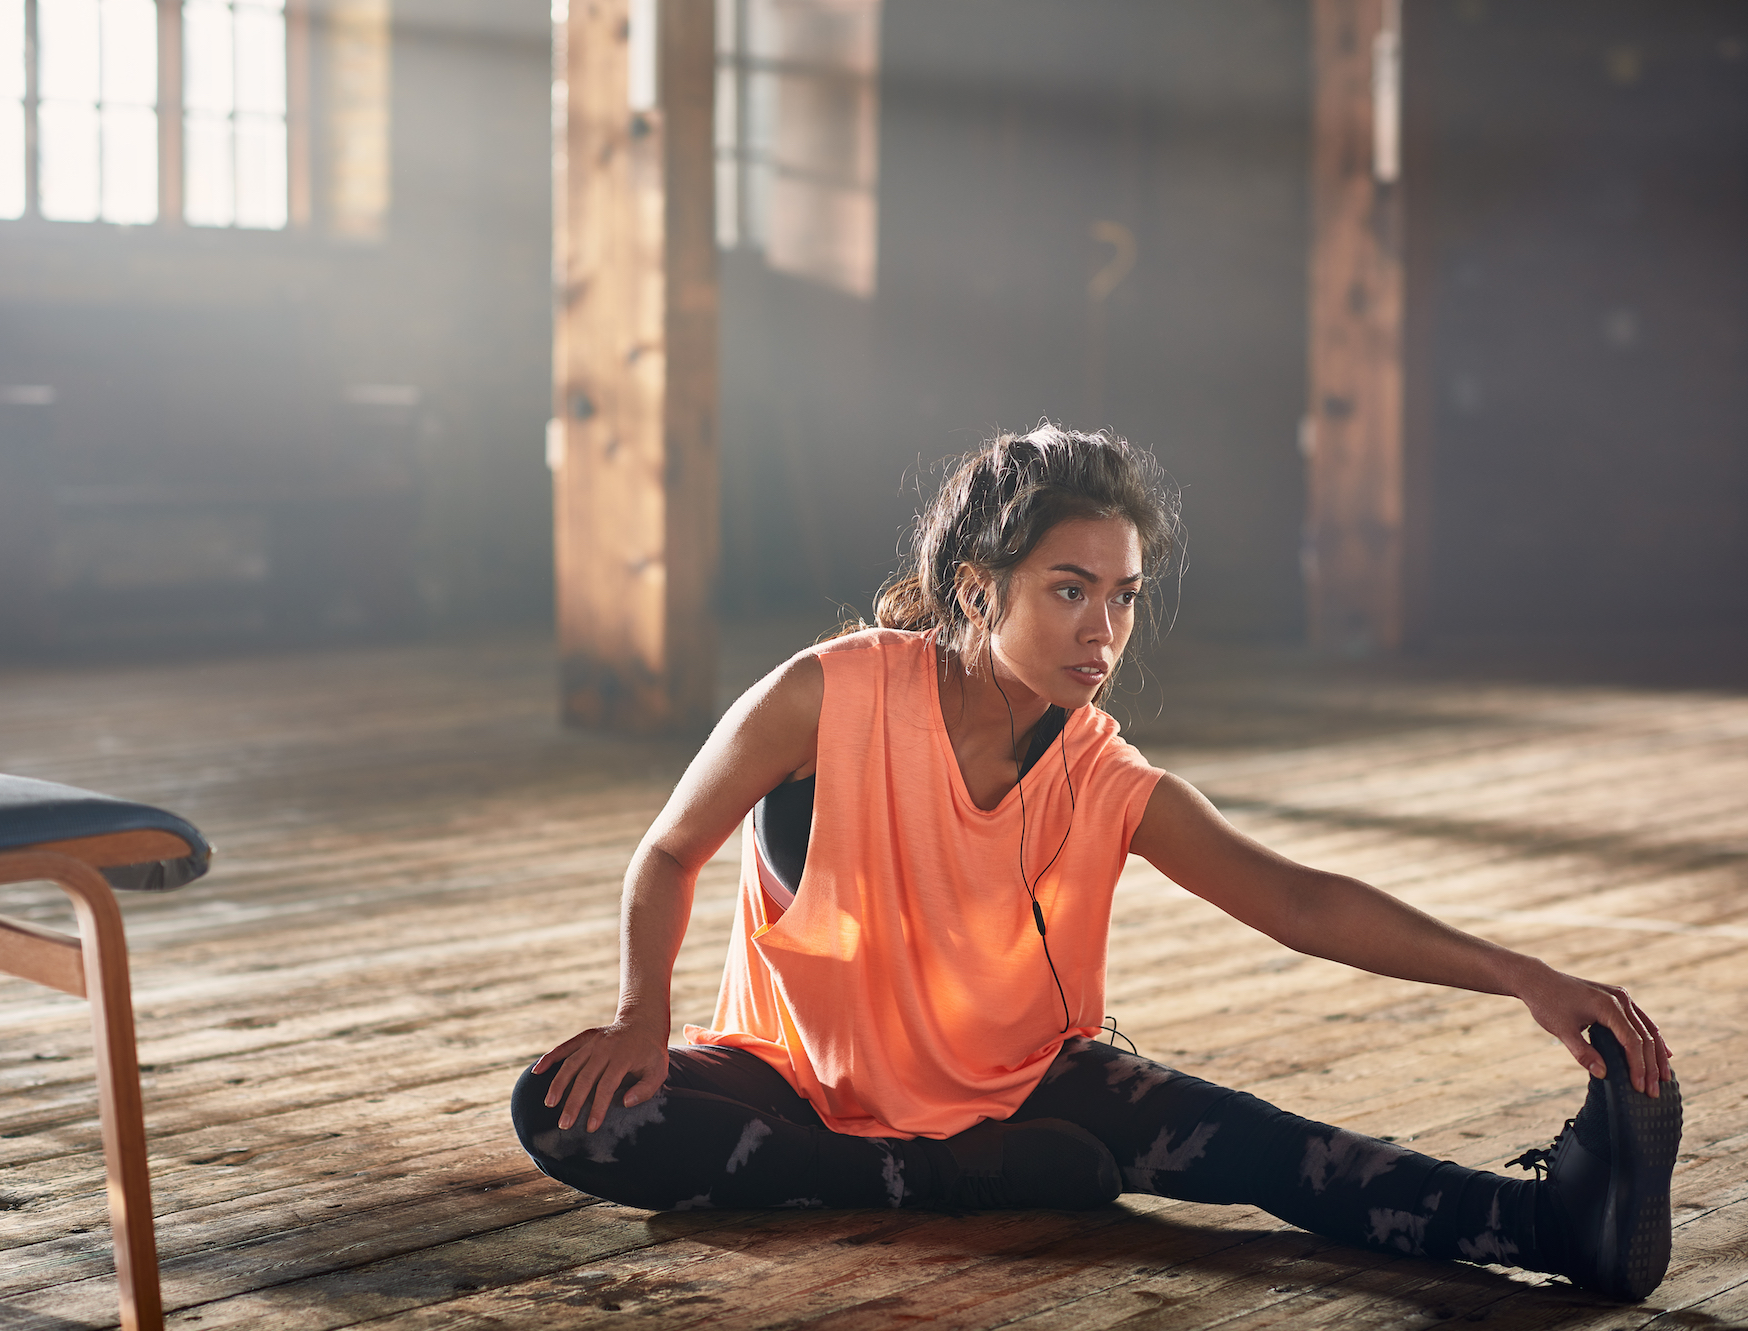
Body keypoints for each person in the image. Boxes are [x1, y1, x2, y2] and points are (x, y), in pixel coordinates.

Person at [511, 425, 1681, 1302]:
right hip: (791, 1081)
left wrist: (1522, 974)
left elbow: (1294, 901)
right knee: (567, 1114)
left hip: (1023, 1095)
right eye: (1067, 592)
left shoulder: (1100, 772)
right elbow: (668, 850)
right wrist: (635, 1014)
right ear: (978, 589)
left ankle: (1552, 1228)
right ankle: (931, 1181)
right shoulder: (830, 691)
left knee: (1277, 1154)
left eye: (1121, 599)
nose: (1101, 631)